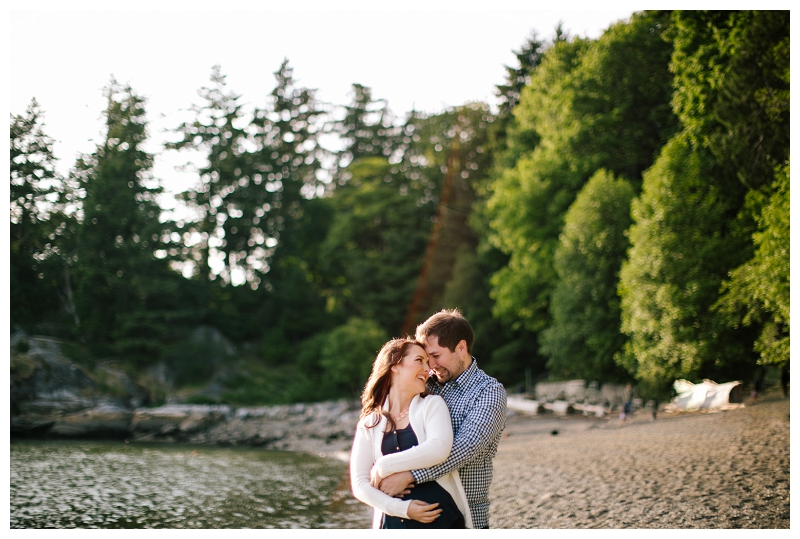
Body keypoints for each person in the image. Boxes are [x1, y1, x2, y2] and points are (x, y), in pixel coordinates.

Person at [373, 309, 507, 529]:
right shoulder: (424, 385)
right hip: (409, 514)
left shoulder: (488, 392)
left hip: (465, 515)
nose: (430, 366)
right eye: (425, 358)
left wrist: (410, 475)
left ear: (461, 348)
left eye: (435, 356)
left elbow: (465, 448)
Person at [350, 338, 473, 529]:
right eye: (419, 360)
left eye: (427, 362)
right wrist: (403, 508)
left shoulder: (432, 405)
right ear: (395, 366)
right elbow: (359, 484)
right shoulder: (369, 423)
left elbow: (439, 448)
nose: (428, 368)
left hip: (442, 522)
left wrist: (384, 465)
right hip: (392, 524)